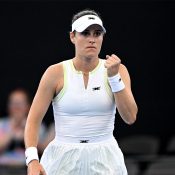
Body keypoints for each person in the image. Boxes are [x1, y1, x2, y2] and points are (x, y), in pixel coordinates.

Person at [24, 9, 138, 175]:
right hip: (62, 158)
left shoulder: (118, 70)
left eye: (97, 33)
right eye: (85, 33)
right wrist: (32, 160)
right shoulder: (54, 73)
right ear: (72, 36)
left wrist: (114, 78)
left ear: (102, 38)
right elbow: (33, 121)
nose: (92, 39)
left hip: (106, 159)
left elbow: (130, 117)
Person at [0, 88, 46, 165]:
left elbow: (43, 150)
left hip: (27, 167)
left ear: (28, 106)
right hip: (3, 167)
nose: (17, 107)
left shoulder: (37, 125)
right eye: (14, 103)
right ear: (8, 106)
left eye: (20, 103)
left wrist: (27, 132)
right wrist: (12, 131)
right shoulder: (2, 124)